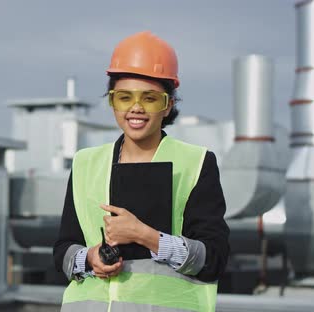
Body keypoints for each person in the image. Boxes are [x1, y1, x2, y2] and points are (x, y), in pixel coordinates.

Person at [53, 31, 230, 312]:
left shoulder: (196, 163)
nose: (136, 108)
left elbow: (214, 259)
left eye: (150, 98)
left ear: (168, 104)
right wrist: (90, 258)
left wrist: (146, 236)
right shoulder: (85, 163)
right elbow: (64, 248)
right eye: (125, 97)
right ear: (112, 101)